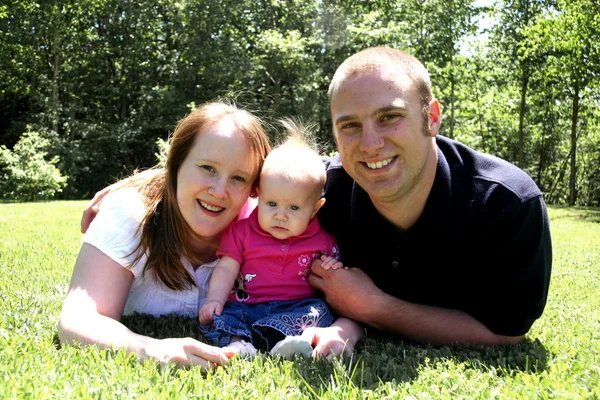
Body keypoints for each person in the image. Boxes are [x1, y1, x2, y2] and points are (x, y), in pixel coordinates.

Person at [60, 101, 364, 369]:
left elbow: (301, 174)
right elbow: (77, 321)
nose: (219, 192)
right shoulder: (128, 215)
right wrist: (149, 349)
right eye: (207, 168)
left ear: (254, 187)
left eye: (238, 178)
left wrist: (345, 330)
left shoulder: (270, 220)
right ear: (176, 165)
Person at [309, 47, 553, 346]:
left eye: (389, 116)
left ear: (432, 118)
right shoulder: (314, 194)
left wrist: (373, 307)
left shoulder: (506, 202)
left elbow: (505, 331)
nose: (370, 144)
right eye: (350, 126)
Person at [199, 124, 343, 358]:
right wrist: (215, 299)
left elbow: (333, 269)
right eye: (272, 204)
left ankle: (291, 344)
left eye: (294, 207)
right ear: (258, 193)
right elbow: (226, 267)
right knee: (224, 316)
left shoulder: (323, 239)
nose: (280, 215)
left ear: (315, 209)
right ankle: (239, 345)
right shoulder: (241, 232)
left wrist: (332, 266)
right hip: (246, 305)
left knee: (318, 312)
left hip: (296, 305)